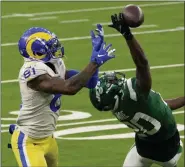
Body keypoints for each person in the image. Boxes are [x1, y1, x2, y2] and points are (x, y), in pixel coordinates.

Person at [10, 24, 116, 167]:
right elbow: (70, 88)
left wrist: (94, 59)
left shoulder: (54, 64)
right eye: (50, 46)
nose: (55, 48)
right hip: (30, 141)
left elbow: (90, 82)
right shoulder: (32, 72)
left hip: (49, 138)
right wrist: (94, 63)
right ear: (36, 51)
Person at [89, 13, 184, 167]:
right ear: (115, 93)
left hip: (143, 147)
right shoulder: (135, 94)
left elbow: (159, 105)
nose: (114, 78)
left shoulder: (115, 107)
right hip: (169, 150)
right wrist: (127, 34)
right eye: (111, 81)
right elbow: (142, 63)